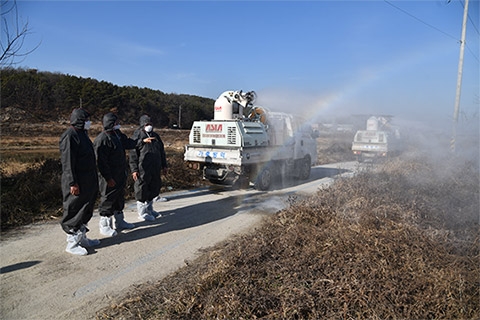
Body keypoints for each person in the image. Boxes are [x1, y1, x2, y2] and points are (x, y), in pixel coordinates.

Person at [59, 108, 99, 256]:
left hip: (88, 180)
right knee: (74, 209)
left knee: (85, 208)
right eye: (87, 119)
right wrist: (72, 182)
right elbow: (67, 162)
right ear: (80, 120)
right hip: (77, 181)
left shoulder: (83, 134)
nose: (89, 122)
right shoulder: (70, 136)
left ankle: (82, 238)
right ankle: (72, 243)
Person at [93, 112, 138, 237]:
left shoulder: (117, 135)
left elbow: (128, 143)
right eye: (116, 123)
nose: (119, 125)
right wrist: (108, 177)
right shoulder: (102, 139)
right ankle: (105, 225)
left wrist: (141, 141)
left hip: (119, 174)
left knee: (119, 198)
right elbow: (101, 162)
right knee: (108, 199)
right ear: (110, 124)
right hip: (109, 177)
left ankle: (120, 221)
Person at [129, 114, 168, 221]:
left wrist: (164, 165)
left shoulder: (156, 136)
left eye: (150, 124)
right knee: (141, 189)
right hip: (142, 168)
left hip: (155, 167)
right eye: (147, 124)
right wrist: (134, 170)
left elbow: (162, 152)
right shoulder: (138, 136)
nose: (149, 126)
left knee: (154, 187)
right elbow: (133, 155)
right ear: (142, 125)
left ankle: (149, 209)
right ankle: (142, 212)